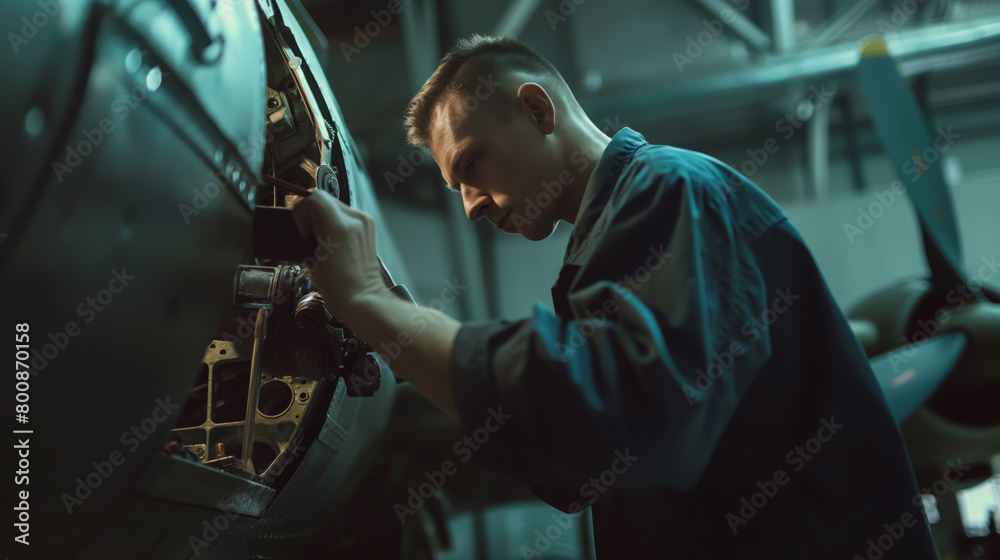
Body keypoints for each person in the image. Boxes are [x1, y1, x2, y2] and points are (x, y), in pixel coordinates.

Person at [291, 34, 938, 558]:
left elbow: (624, 410)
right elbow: (583, 465)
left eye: (472, 166)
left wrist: (372, 303)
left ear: (539, 110)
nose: (470, 207)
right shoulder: (611, 245)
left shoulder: (674, 190)